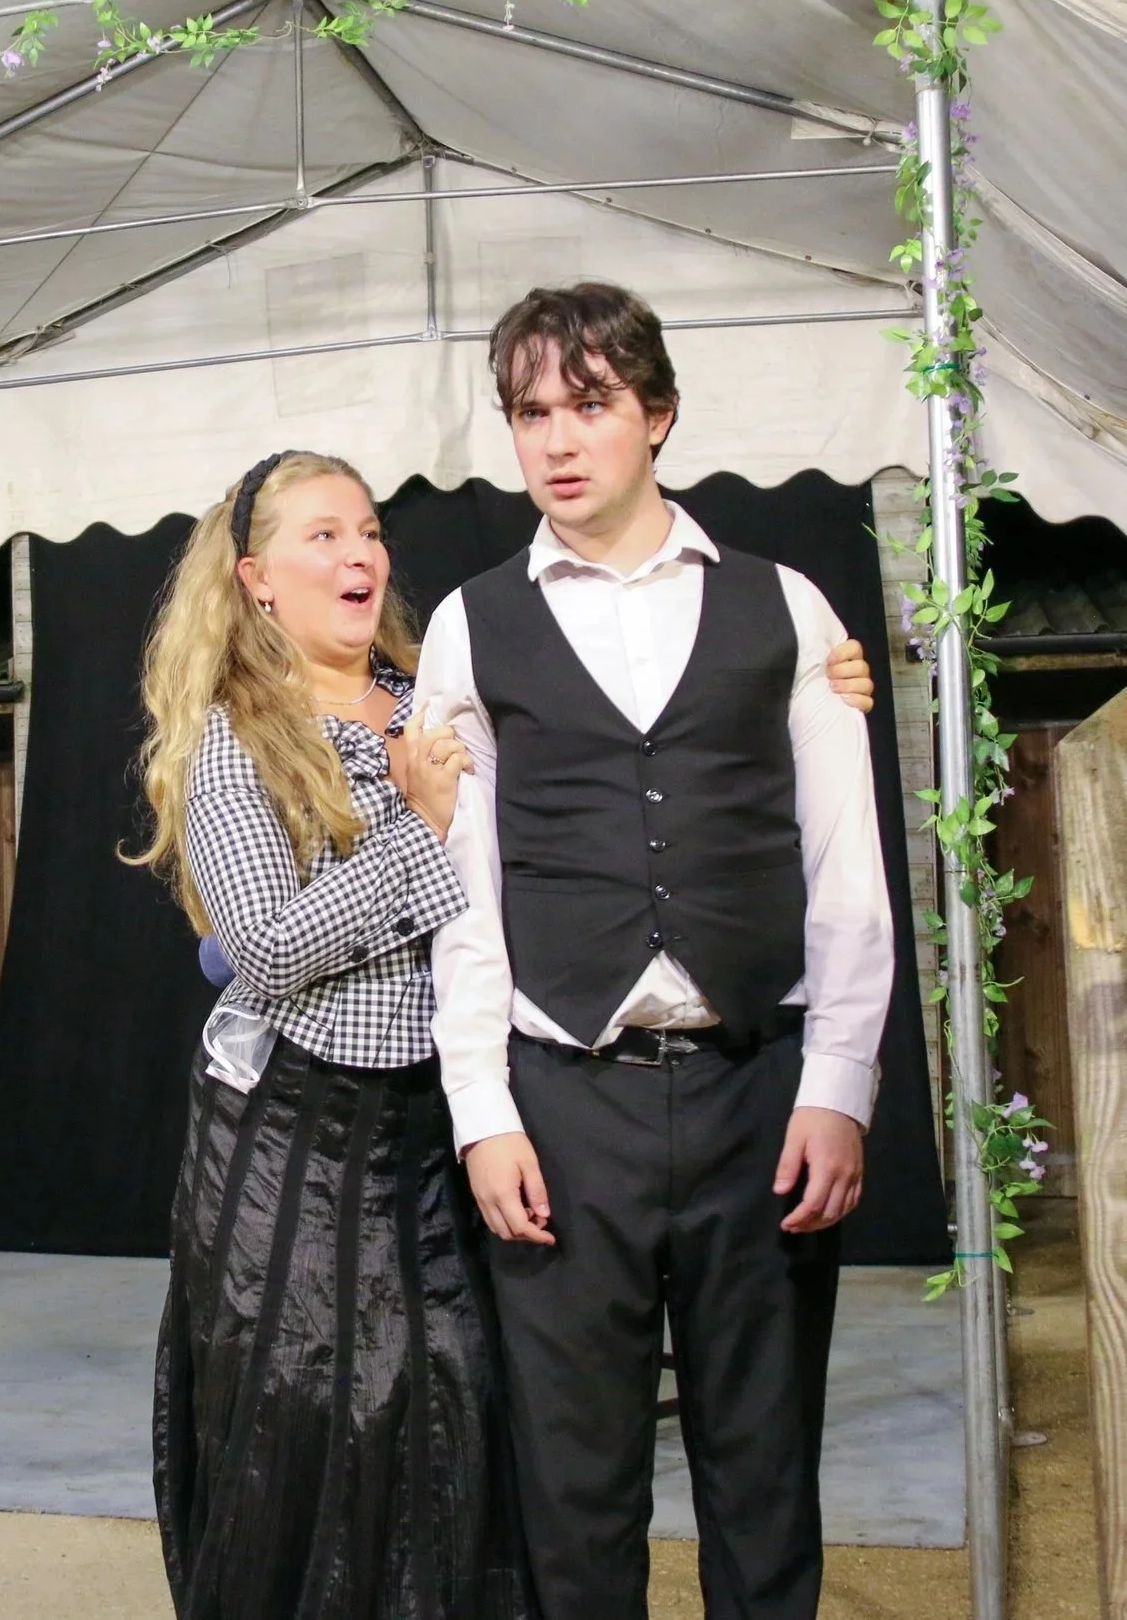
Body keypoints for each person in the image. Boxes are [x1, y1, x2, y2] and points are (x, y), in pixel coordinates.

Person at [415, 281, 895, 1620]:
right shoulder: (472, 622)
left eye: (590, 405)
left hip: (758, 1090)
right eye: (529, 413)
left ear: (659, 414)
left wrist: (838, 1082)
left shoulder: (785, 607)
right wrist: (482, 1109)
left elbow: (846, 867)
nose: (558, 440)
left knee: (764, 1471)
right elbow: (468, 890)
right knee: (573, 1488)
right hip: (564, 1097)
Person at [134, 449, 529, 1619]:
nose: (357, 553)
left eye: (366, 531)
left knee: (452, 1405)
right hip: (292, 1138)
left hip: (440, 1124)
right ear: (255, 577)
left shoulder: (436, 704)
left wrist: (811, 683)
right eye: (321, 535)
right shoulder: (232, 741)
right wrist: (416, 828)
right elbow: (261, 948)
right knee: (307, 1413)